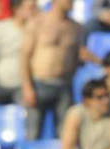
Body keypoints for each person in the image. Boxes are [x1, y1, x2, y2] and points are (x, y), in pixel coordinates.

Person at [20, 0, 94, 141]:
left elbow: (79, 55)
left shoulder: (76, 27)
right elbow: (24, 57)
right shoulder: (37, 23)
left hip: (64, 85)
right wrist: (27, 87)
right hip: (39, 84)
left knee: (65, 135)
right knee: (33, 133)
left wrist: (101, 62)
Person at [0, 0, 37, 107]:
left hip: (25, 86)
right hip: (1, 86)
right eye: (30, 8)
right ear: (17, 9)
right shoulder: (1, 29)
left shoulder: (37, 30)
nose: (35, 11)